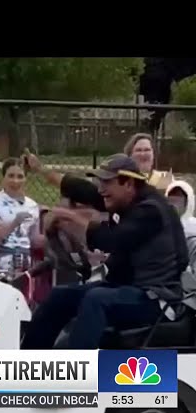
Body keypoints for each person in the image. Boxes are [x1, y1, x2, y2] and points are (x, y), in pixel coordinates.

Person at [21, 154, 188, 350]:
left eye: (107, 182)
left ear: (129, 184)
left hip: (156, 297)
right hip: (128, 289)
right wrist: (42, 171)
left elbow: (112, 239)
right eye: (100, 182)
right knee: (60, 296)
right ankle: (28, 367)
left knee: (97, 299)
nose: (101, 189)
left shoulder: (151, 211)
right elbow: (83, 190)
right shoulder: (128, 200)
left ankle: (78, 374)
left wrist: (67, 216)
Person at [24, 133, 174, 213]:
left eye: (147, 150)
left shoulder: (166, 180)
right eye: (138, 150)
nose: (143, 154)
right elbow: (72, 184)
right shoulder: (111, 183)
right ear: (129, 156)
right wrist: (40, 168)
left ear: (154, 154)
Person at [0, 158, 44, 276]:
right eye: (11, 176)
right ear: (3, 178)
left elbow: (34, 239)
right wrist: (15, 222)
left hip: (25, 263)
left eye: (20, 176)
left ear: (26, 179)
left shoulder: (32, 205)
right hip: (1, 262)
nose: (15, 181)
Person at [165, 179, 196, 270]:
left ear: (188, 201)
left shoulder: (194, 226)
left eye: (179, 196)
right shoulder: (159, 224)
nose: (174, 203)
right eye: (171, 196)